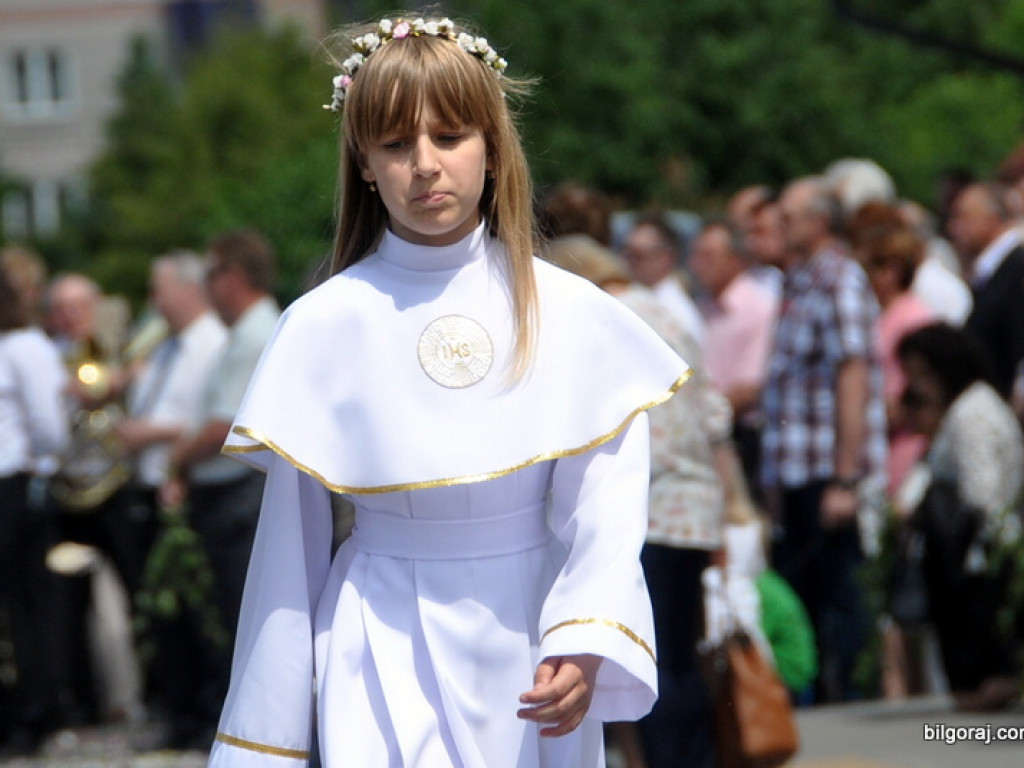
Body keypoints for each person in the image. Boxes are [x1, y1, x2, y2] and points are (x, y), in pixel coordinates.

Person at [207, 15, 688, 768]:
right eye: (397, 144)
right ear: (364, 164)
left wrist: (585, 635)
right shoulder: (323, 323)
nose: (425, 165)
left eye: (450, 136)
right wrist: (263, 742)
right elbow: (288, 550)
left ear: (492, 148)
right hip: (377, 631)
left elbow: (605, 501)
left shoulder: (565, 309)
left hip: (530, 632)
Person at [547, 235, 728, 768]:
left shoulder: (600, 318)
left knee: (650, 655)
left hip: (649, 504)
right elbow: (713, 409)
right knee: (683, 653)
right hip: (696, 501)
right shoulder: (666, 310)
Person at [761, 176, 887, 703]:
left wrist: (845, 478)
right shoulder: (800, 280)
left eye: (788, 217)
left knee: (843, 599)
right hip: (797, 471)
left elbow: (853, 376)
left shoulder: (840, 279)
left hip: (826, 471)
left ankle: (854, 708)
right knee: (809, 598)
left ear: (817, 222)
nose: (778, 225)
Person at [156, 230, 279, 749]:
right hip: (229, 494)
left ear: (234, 275)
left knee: (238, 615)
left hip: (239, 496)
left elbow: (226, 426)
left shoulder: (257, 332)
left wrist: (174, 461)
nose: (205, 286)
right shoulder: (246, 331)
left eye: (211, 274)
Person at [896, 323, 1023, 711]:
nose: (917, 387)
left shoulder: (972, 413)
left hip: (983, 552)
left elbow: (982, 494)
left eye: (922, 375)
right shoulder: (967, 408)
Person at [0, 263, 69, 754]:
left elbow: (50, 427)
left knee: (27, 604)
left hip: (16, 482)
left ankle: (38, 707)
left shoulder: (25, 346)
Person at [689, 218, 777, 499]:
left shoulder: (759, 307)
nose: (697, 264)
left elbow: (751, 387)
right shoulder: (701, 304)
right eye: (696, 254)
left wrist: (696, 420)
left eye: (708, 256)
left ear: (735, 260)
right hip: (708, 428)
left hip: (739, 436)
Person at [947, 182, 1024, 399]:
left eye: (963, 216)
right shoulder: (990, 272)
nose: (953, 227)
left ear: (993, 218)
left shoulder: (1017, 269)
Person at [622, 211, 705, 346]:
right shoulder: (635, 294)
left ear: (666, 258)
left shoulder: (677, 313)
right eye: (626, 252)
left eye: (638, 255)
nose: (628, 261)